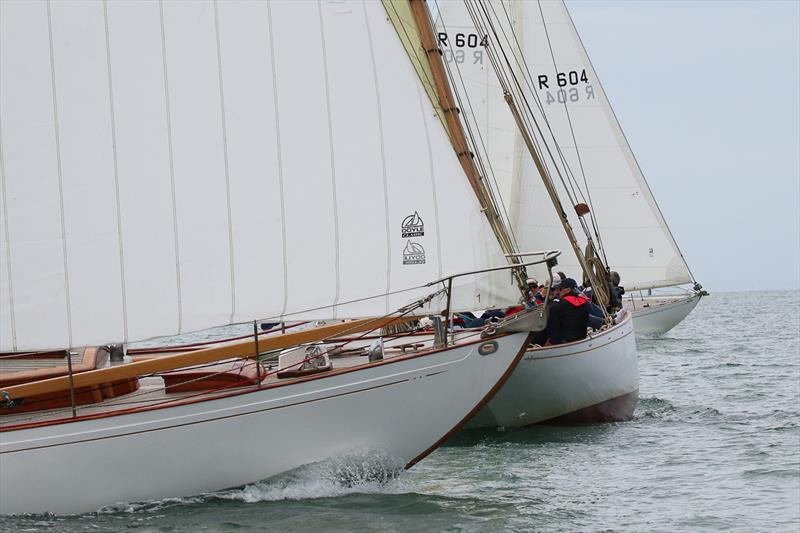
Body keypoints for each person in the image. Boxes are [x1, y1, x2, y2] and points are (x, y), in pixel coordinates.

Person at [546, 278, 591, 345]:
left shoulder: (558, 305)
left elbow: (553, 326)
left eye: (560, 289)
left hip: (566, 342)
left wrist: (553, 342)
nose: (558, 291)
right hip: (581, 338)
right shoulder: (582, 302)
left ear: (568, 290)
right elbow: (587, 320)